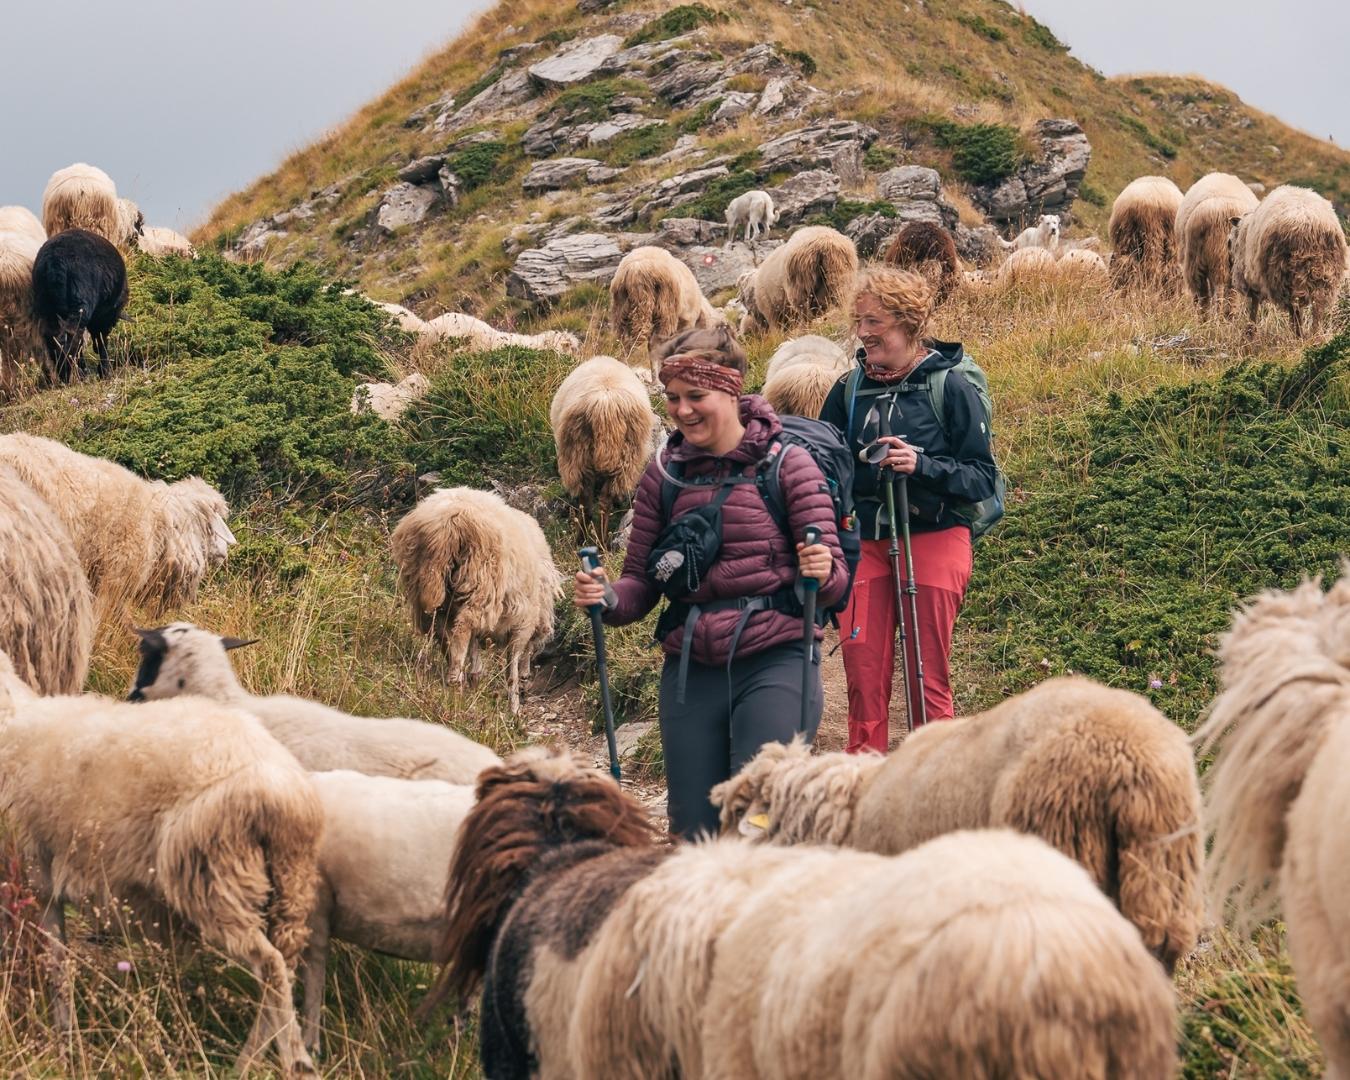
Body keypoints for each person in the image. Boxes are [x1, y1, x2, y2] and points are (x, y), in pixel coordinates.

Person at [573, 325, 849, 839]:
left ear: (731, 390)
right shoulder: (663, 475)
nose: (681, 410)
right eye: (672, 398)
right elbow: (640, 587)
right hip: (690, 670)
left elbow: (834, 587)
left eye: (695, 396)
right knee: (693, 833)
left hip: (778, 661)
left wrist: (824, 570)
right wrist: (606, 597)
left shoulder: (790, 466)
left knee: (759, 825)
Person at [819, 266, 997, 752]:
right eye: (859, 321)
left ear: (906, 322)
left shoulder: (951, 387)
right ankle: (862, 786)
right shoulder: (847, 390)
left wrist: (921, 465)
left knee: (927, 676)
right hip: (866, 540)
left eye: (873, 322)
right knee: (863, 675)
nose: (862, 333)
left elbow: (981, 478)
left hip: (937, 537)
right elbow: (823, 472)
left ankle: (933, 788)